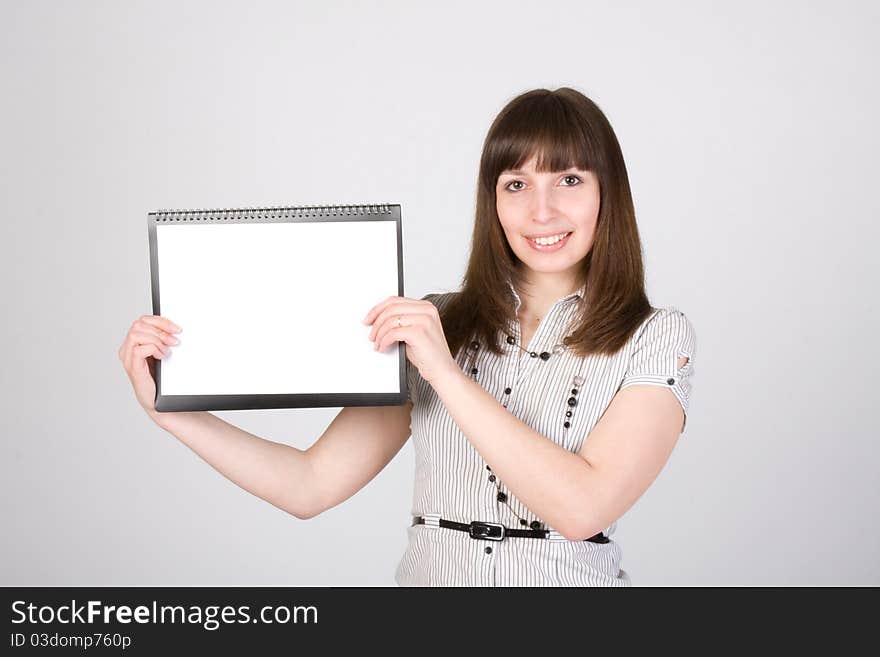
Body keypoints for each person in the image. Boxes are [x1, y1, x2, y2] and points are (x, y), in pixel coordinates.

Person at [119, 87, 696, 587]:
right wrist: (175, 412)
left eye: (569, 180)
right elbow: (309, 484)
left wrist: (446, 375)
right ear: (492, 203)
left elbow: (581, 510)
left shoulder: (656, 337)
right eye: (515, 183)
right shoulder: (435, 323)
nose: (541, 211)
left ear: (607, 194)